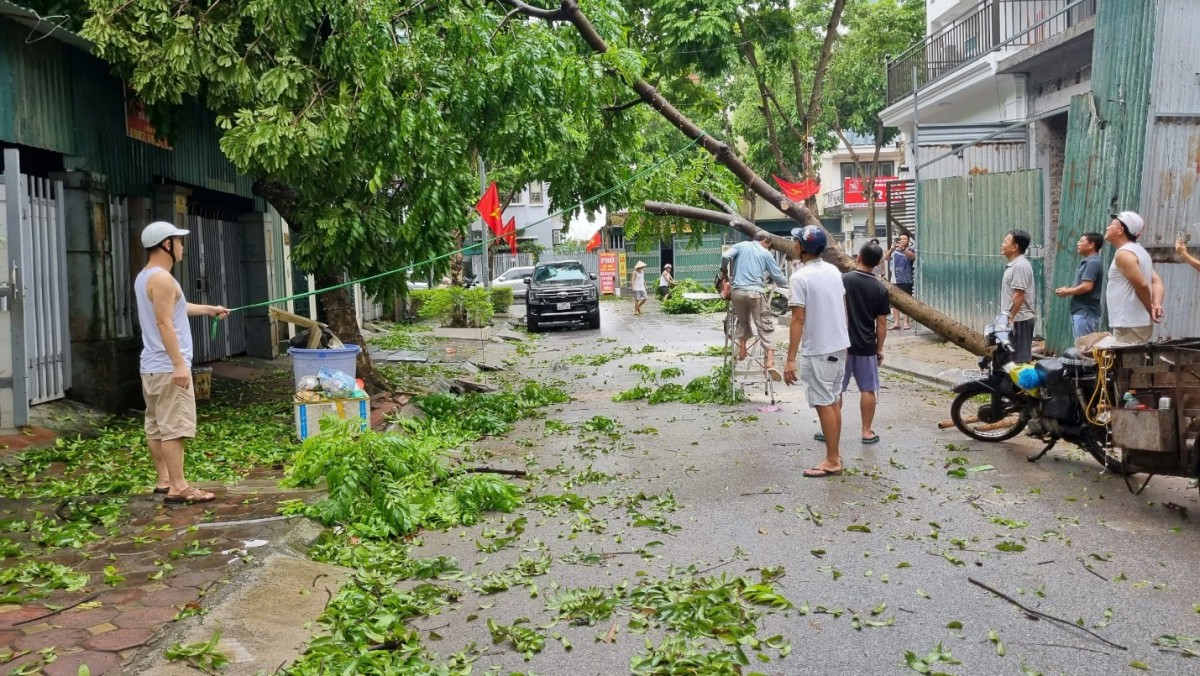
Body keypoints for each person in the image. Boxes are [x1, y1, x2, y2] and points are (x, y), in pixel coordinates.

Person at [136, 221, 229, 504]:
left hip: (151, 367)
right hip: (167, 367)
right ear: (167, 244)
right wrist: (179, 365)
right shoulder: (163, 279)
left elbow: (175, 308)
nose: (182, 247)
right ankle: (179, 487)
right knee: (174, 428)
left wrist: (208, 309)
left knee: (157, 426)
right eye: (179, 241)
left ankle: (164, 480)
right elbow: (164, 322)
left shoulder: (146, 276)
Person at [783, 226, 850, 478]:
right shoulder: (833, 270)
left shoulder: (799, 278)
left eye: (796, 241)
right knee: (832, 400)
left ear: (803, 247)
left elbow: (798, 319)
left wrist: (790, 359)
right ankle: (835, 455)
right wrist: (844, 338)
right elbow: (842, 307)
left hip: (819, 349)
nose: (793, 244)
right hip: (838, 345)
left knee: (824, 402)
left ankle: (832, 459)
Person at [840, 242, 890, 445]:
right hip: (866, 346)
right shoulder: (880, 288)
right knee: (868, 389)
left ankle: (829, 430)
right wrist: (879, 349)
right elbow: (882, 323)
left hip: (841, 345)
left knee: (836, 390)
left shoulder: (843, 280)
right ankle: (867, 431)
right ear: (878, 263)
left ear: (858, 257)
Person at [721, 231, 788, 380]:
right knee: (765, 325)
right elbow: (780, 279)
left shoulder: (741, 245)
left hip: (737, 293)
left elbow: (726, 256)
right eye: (769, 245)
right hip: (755, 293)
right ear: (765, 241)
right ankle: (770, 362)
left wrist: (723, 270)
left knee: (742, 320)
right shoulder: (765, 253)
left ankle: (742, 350)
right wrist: (782, 280)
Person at [1105, 211, 1164, 344]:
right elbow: (1156, 281)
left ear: (1120, 230)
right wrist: (1157, 304)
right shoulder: (1139, 251)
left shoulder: (1124, 254)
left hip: (1129, 324)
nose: (1107, 227)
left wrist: (1150, 308)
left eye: (1111, 225)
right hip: (1136, 323)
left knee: (1127, 363)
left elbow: (1142, 285)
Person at [1054, 232, 1104, 340]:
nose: (1077, 244)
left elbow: (1087, 286)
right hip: (1082, 311)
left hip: (1086, 312)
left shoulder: (1092, 263)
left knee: (1085, 349)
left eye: (1081, 241)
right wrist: (1068, 289)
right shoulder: (1088, 261)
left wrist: (1067, 292)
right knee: (1081, 347)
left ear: (1091, 245)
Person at [1000, 229, 1036, 363]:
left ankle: (1021, 384)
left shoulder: (1020, 266)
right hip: (1014, 318)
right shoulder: (1014, 265)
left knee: (1019, 359)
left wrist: (1010, 318)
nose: (1002, 244)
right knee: (1010, 358)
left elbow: (1019, 295)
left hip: (1019, 320)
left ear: (1015, 247)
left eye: (1005, 242)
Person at [887, 234, 915, 330]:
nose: (902, 240)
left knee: (907, 301)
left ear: (908, 240)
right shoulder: (895, 250)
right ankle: (896, 322)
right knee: (895, 302)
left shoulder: (911, 249)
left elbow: (912, 257)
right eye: (901, 239)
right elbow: (886, 258)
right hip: (895, 279)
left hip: (906, 279)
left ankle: (906, 322)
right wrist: (891, 249)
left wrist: (904, 249)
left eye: (904, 239)